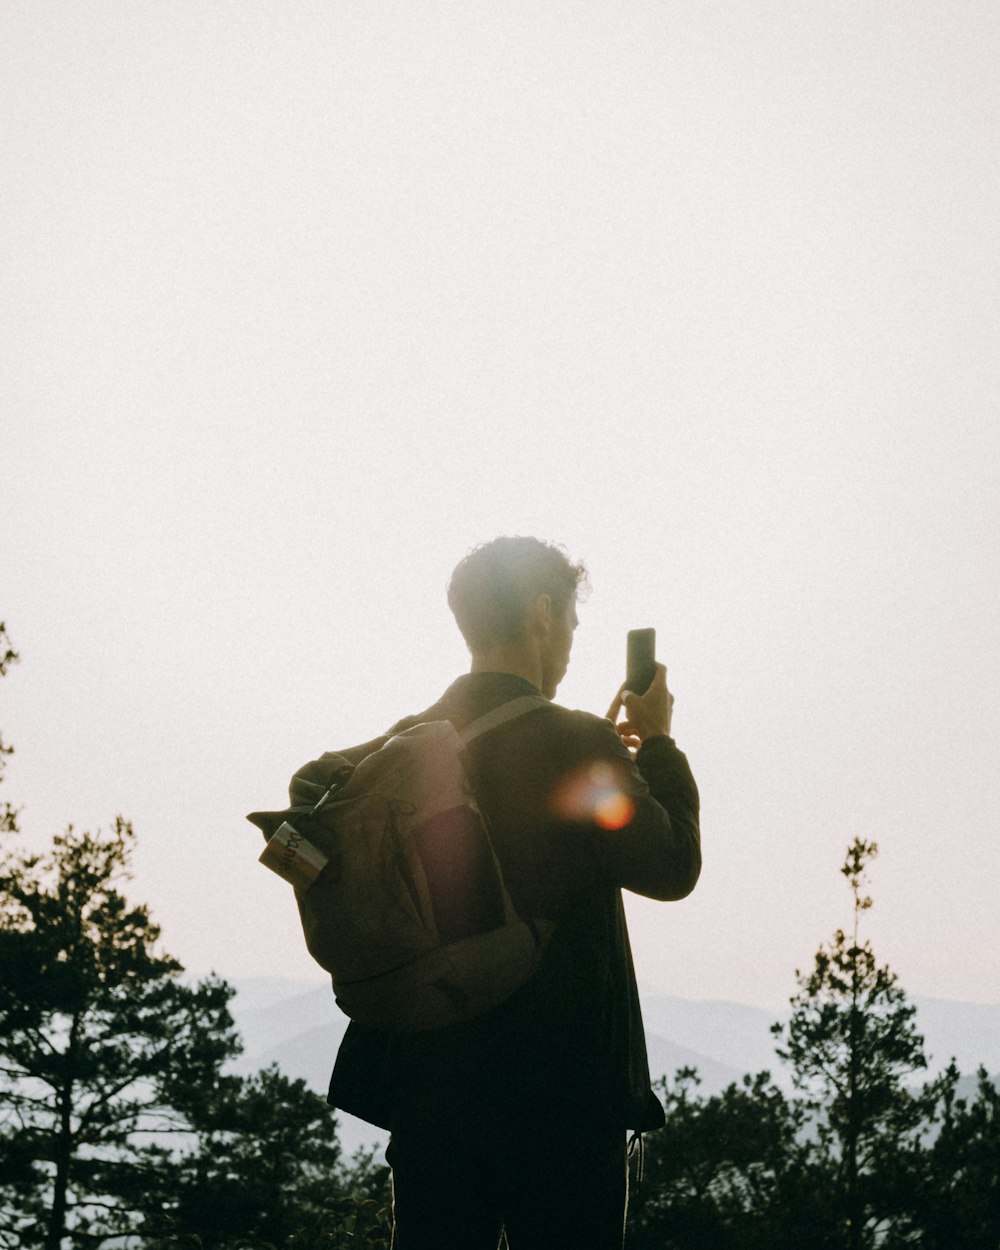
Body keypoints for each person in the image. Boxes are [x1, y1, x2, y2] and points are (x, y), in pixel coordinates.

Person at [292, 536, 701, 1249]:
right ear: (542, 612)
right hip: (563, 1099)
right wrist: (658, 746)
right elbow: (670, 867)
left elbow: (310, 798)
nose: (573, 639)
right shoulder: (576, 745)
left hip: (429, 1086)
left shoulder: (399, 748)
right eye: (572, 620)